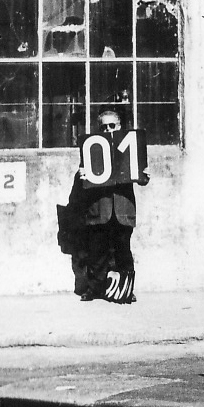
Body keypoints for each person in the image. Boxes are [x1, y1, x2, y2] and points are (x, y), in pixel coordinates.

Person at [69, 107, 148, 303]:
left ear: (120, 127)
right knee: (97, 253)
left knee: (123, 251)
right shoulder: (92, 149)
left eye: (112, 126)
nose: (108, 130)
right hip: (99, 209)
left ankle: (126, 289)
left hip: (123, 209)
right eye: (104, 127)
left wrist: (144, 175)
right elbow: (83, 181)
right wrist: (81, 175)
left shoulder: (130, 149)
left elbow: (141, 178)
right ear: (99, 129)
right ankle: (95, 289)